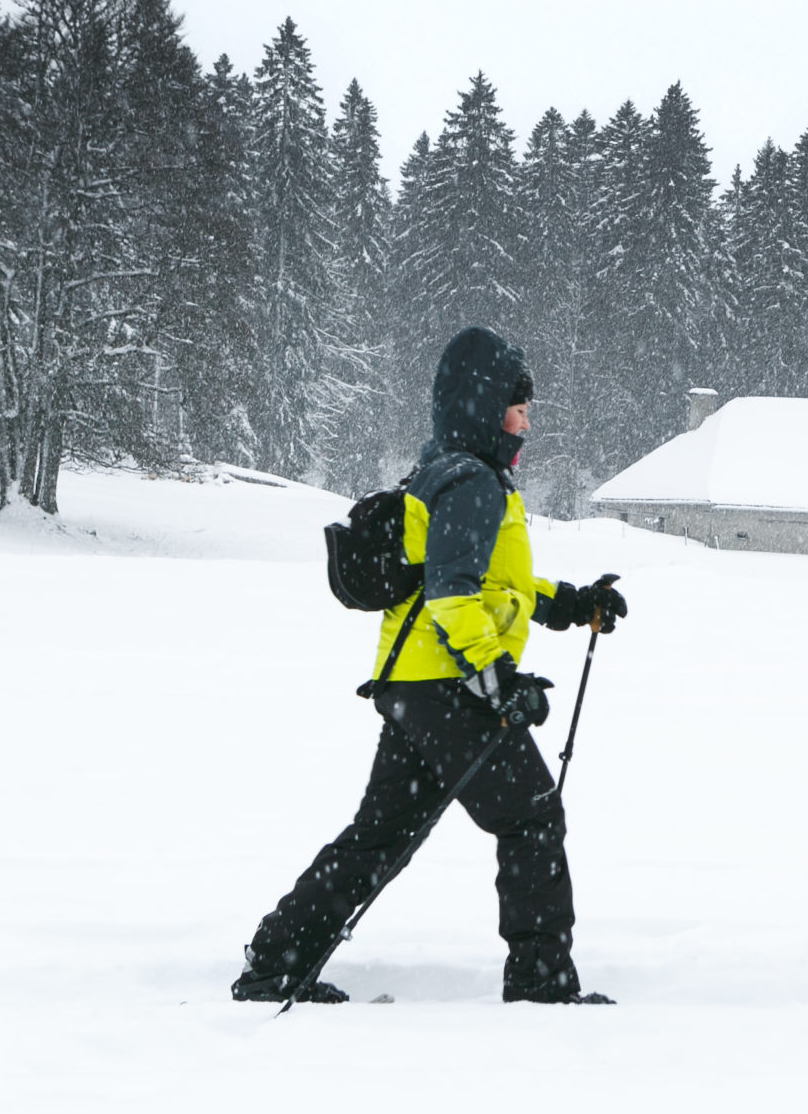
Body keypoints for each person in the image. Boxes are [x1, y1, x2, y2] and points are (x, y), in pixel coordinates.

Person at [232, 326, 629, 1006]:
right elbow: (451, 594)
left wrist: (573, 604)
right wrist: (497, 679)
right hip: (450, 690)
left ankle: (276, 959)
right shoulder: (472, 481)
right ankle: (541, 983)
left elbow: (495, 585)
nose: (527, 421)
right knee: (532, 818)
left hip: (416, 688)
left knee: (379, 837)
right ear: (484, 405)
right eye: (519, 406)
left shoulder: (447, 471)